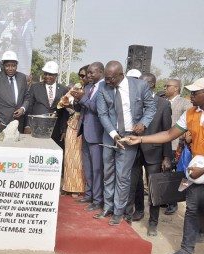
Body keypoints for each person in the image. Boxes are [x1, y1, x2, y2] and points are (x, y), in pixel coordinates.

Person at [127, 77, 204, 254]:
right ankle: (186, 249)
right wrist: (141, 139)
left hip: (201, 170)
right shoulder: (191, 113)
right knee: (192, 209)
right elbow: (169, 134)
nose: (190, 96)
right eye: (190, 92)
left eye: (195, 93)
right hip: (196, 171)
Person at [94, 61, 156, 225]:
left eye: (110, 79)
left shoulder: (140, 86)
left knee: (123, 176)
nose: (108, 82)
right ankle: (107, 207)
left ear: (120, 74)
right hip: (110, 135)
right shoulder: (103, 87)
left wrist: (143, 123)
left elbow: (151, 107)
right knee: (108, 173)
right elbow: (102, 114)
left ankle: (118, 211)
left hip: (130, 137)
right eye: (106, 78)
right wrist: (113, 134)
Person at [124, 73, 172, 233]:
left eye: (141, 83)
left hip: (154, 153)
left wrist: (166, 156)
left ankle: (153, 223)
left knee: (153, 189)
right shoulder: (134, 100)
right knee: (130, 186)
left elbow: (167, 132)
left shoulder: (164, 104)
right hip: (133, 150)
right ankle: (127, 217)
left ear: (150, 84)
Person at [71, 62, 105, 211]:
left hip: (97, 134)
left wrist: (83, 98)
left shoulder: (105, 88)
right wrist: (76, 99)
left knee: (97, 169)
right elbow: (82, 107)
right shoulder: (89, 87)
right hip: (84, 130)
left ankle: (98, 200)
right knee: (88, 167)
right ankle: (89, 194)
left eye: (92, 73)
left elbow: (98, 109)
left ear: (101, 73)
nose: (89, 75)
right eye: (88, 73)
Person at [163, 78, 192, 215]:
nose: (164, 88)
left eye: (167, 86)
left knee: (177, 175)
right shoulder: (162, 102)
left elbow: (190, 125)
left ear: (176, 88)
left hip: (177, 145)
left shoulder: (185, 103)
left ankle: (173, 203)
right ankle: (165, 199)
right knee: (164, 173)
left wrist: (185, 136)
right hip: (162, 143)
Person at [25, 61, 68, 148]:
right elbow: (29, 107)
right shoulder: (35, 87)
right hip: (37, 128)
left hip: (55, 130)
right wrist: (28, 125)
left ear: (56, 75)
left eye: (50, 74)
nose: (47, 76)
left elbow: (65, 112)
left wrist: (64, 130)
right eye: (45, 74)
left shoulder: (63, 89)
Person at [0, 50, 30, 133]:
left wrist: (22, 109)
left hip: (18, 124)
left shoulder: (22, 78)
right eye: (7, 66)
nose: (10, 69)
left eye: (13, 66)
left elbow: (27, 97)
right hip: (1, 124)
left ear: (17, 66)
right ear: (3, 65)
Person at [61, 65, 89, 196]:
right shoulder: (78, 88)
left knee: (80, 157)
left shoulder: (92, 90)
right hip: (73, 124)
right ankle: (68, 185)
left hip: (86, 125)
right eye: (80, 76)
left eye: (83, 76)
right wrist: (69, 103)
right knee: (69, 156)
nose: (81, 78)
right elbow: (64, 103)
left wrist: (80, 98)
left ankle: (79, 187)